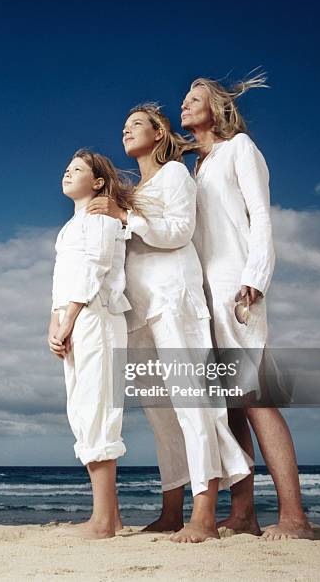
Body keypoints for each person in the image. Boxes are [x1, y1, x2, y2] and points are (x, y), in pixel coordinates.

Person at [87, 104, 252, 543]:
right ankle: (171, 510)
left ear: (160, 134)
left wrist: (126, 218)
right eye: (123, 125)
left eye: (136, 124)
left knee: (193, 406)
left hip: (175, 301)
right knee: (161, 416)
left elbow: (178, 231)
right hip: (138, 312)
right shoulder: (133, 191)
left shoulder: (176, 175)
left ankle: (204, 513)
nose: (126, 130)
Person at [180, 71, 313, 540]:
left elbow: (261, 218)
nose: (185, 104)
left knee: (255, 399)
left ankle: (294, 517)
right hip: (202, 296)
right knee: (231, 406)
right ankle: (243, 514)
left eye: (195, 98)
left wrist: (255, 279)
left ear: (216, 108)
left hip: (237, 286)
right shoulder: (194, 165)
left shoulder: (240, 149)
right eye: (184, 99)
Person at [48, 148, 135, 539]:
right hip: (75, 319)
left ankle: (103, 522)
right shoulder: (69, 228)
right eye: (66, 168)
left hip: (97, 317)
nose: (68, 173)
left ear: (98, 181)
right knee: (82, 411)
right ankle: (108, 518)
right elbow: (61, 280)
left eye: (77, 169)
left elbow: (95, 268)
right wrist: (55, 321)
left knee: (99, 410)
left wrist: (69, 317)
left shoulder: (102, 215)